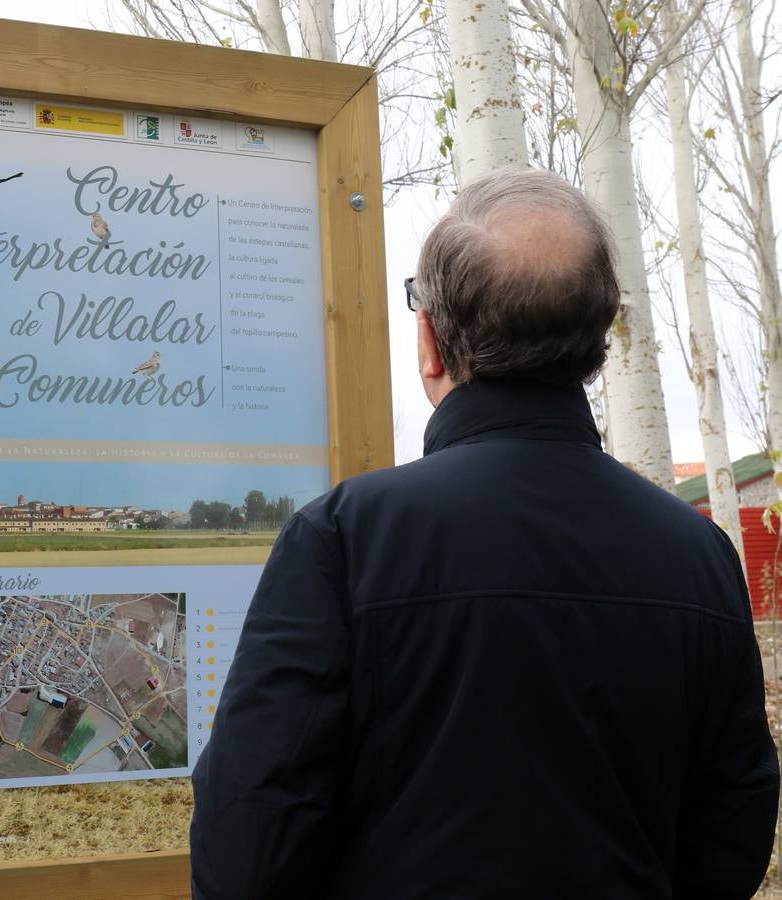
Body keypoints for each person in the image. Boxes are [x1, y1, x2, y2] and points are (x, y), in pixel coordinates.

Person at [189, 167, 780, 899]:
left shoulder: (344, 539)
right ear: (597, 344)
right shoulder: (698, 554)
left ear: (430, 341)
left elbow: (247, 847)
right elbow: (733, 831)